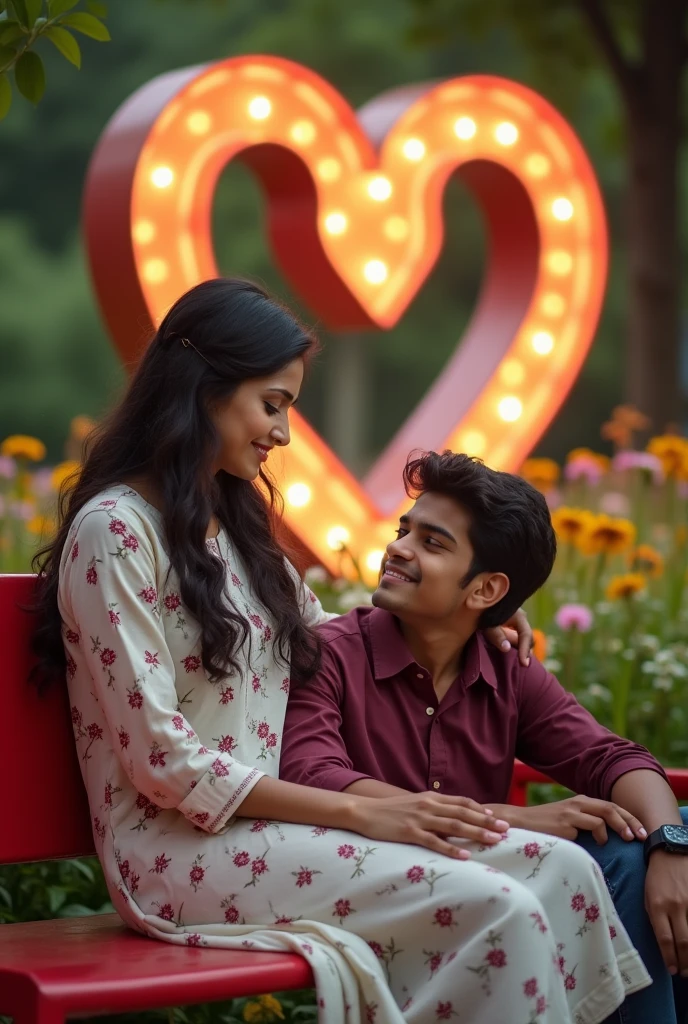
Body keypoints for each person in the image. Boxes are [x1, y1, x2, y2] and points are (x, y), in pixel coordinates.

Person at [32, 278, 648, 1024]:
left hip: (276, 833)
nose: (283, 434)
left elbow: (324, 635)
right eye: (273, 404)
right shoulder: (115, 534)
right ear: (204, 388)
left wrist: (469, 616)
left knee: (564, 870)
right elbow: (161, 761)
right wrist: (359, 815)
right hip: (178, 856)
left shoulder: (229, 532)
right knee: (497, 906)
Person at [280, 450, 688, 1024]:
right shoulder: (330, 656)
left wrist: (672, 845)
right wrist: (505, 818)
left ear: (486, 590)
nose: (397, 547)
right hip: (376, 885)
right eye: (405, 531)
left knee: (664, 832)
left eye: (432, 542)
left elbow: (609, 756)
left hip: (495, 888)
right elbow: (312, 776)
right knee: (621, 855)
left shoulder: (505, 666)